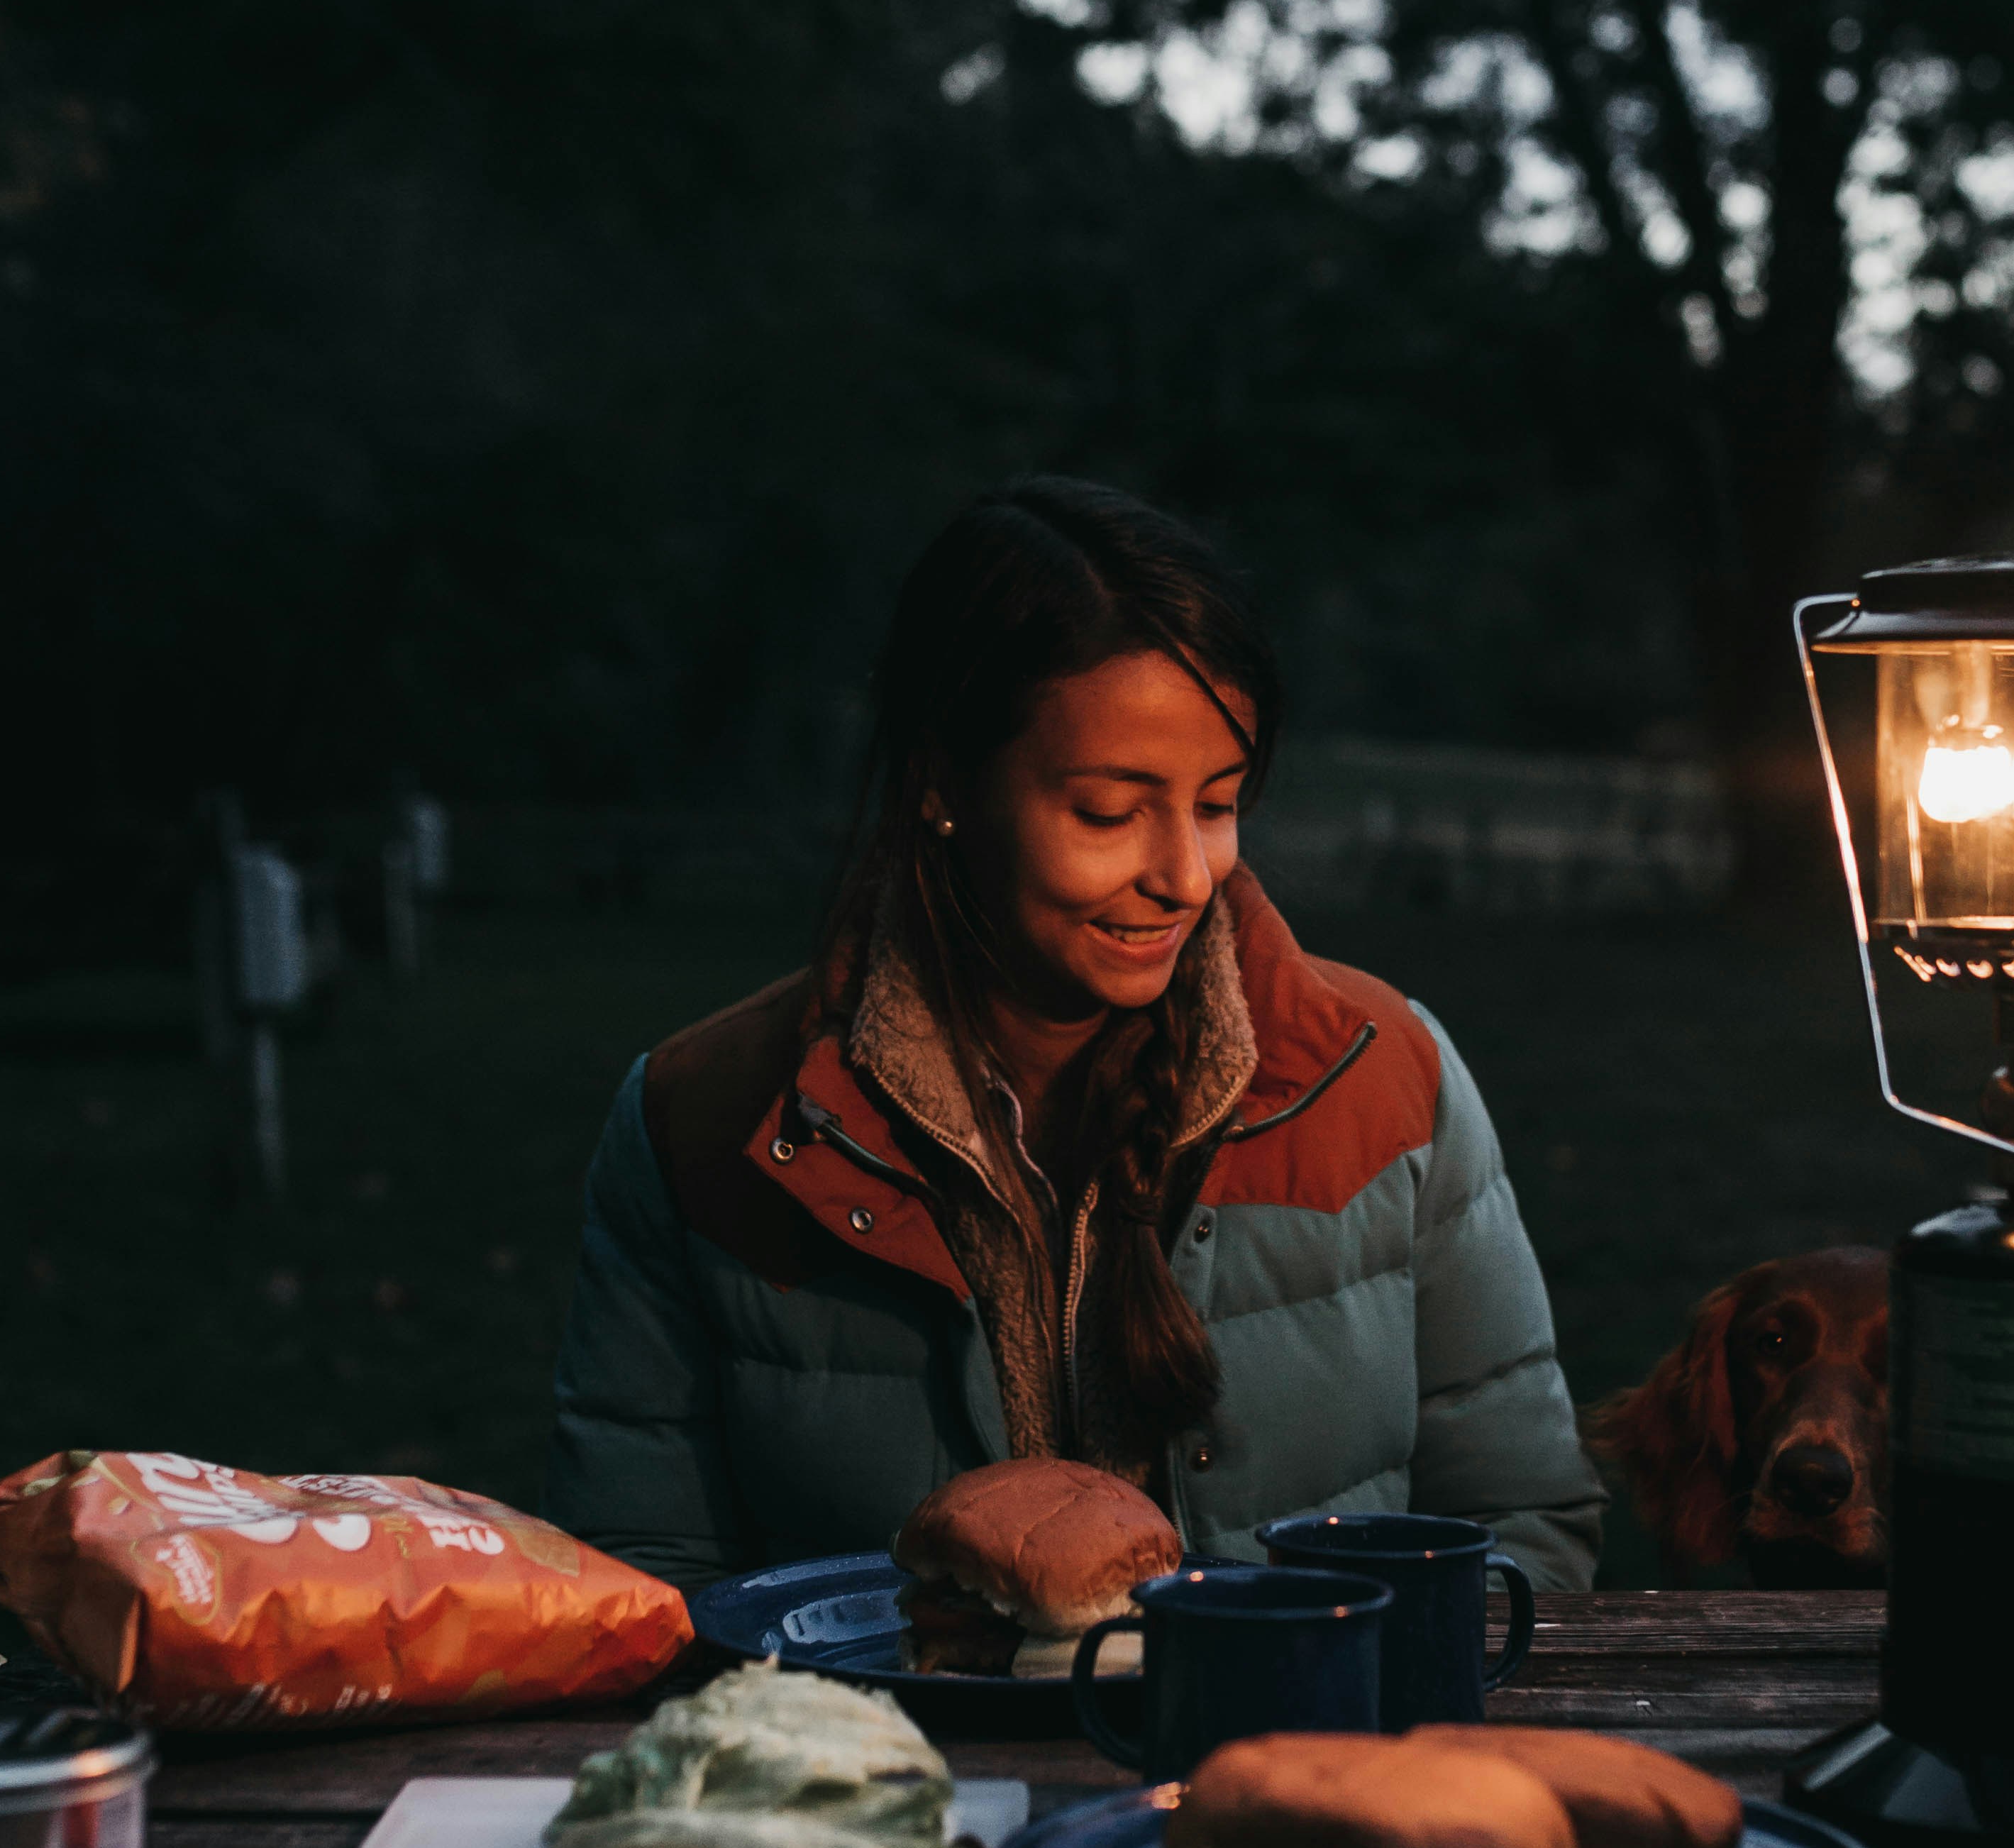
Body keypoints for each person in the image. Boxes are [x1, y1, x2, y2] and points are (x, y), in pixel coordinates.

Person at [546, 475, 1603, 1595]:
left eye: (1217, 802)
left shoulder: (1384, 1077)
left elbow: (1521, 1525)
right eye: (1107, 811)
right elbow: (641, 1580)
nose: (1183, 876)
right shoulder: (703, 1117)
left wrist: (1313, 1687)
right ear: (942, 782)